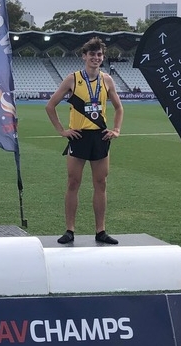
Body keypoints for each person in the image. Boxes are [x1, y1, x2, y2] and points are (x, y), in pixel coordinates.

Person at [45, 37, 124, 245]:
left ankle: (101, 231)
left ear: (102, 57)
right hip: (79, 136)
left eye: (99, 55)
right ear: (84, 56)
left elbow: (119, 108)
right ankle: (70, 230)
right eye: (92, 54)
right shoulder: (72, 79)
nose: (96, 58)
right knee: (73, 183)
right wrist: (62, 130)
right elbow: (50, 105)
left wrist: (116, 129)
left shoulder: (107, 80)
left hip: (100, 136)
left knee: (101, 183)